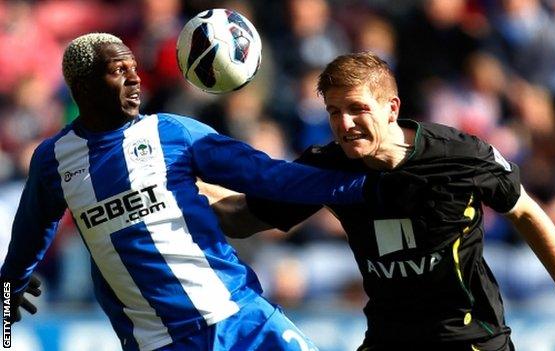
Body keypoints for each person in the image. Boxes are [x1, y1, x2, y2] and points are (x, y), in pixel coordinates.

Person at [0, 33, 420, 351]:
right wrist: (5, 305)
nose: (134, 79)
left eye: (133, 67)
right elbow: (27, 240)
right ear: (84, 86)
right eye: (118, 70)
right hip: (158, 341)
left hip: (241, 318)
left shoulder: (173, 133)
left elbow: (272, 177)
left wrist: (367, 183)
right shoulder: (54, 160)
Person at [210, 52, 555, 351]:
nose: (345, 124)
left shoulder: (459, 155)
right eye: (334, 112)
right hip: (389, 340)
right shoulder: (327, 168)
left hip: (468, 338)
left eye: (357, 109)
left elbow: (525, 212)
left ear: (391, 108)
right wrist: (175, 187)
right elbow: (245, 216)